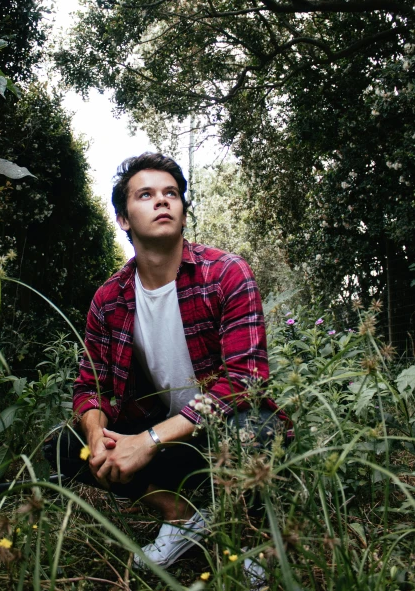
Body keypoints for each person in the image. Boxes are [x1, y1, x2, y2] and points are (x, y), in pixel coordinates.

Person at [46, 152, 285, 572]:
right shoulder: (109, 299)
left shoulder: (226, 274)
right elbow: (90, 388)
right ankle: (181, 515)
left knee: (258, 426)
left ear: (183, 211)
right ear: (123, 218)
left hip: (220, 434)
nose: (162, 201)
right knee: (68, 446)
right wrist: (99, 434)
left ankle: (243, 532)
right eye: (147, 194)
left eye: (171, 193)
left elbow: (246, 380)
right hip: (165, 440)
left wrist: (149, 441)